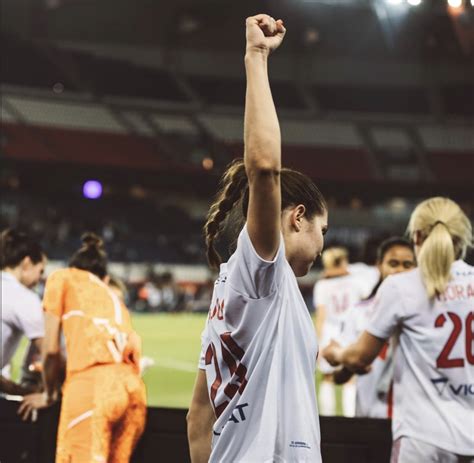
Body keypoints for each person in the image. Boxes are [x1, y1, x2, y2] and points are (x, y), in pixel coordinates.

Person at [187, 14, 328, 463]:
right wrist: (258, 56)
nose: (323, 246)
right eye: (324, 230)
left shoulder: (231, 286)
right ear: (298, 218)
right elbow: (265, 167)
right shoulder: (262, 274)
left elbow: (197, 418)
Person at [323, 197, 473, 462]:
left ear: (416, 236)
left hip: (422, 437)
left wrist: (336, 353)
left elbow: (360, 358)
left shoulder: (401, 286)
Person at [39, 233, 146, 462]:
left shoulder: (63, 278)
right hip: (132, 391)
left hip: (93, 389)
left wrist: (48, 393)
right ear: (104, 278)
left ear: (73, 267)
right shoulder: (114, 298)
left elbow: (50, 350)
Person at [334, 237, 416, 418]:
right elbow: (339, 376)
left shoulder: (424, 313)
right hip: (367, 414)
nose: (400, 270)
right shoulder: (359, 312)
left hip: (410, 421)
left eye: (407, 264)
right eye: (393, 263)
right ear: (379, 265)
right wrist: (349, 363)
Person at [313, 246, 366, 416]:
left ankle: (327, 419)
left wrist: (318, 341)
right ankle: (351, 419)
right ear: (343, 261)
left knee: (327, 378)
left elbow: (321, 316)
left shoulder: (322, 285)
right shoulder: (356, 282)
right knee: (351, 378)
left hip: (329, 332)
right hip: (350, 332)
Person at [0, 228, 46, 396]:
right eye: (40, 271)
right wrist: (49, 395)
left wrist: (19, 391)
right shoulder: (22, 297)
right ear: (26, 264)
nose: (40, 278)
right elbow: (50, 351)